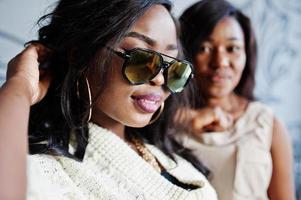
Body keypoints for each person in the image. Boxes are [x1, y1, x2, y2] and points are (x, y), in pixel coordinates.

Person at [0, 0, 218, 199]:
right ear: (81, 55)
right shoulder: (52, 171)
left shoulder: (168, 152)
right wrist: (20, 87)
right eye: (141, 58)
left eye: (172, 64)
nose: (160, 78)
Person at [176, 0, 296, 199]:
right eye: (204, 48)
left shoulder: (266, 123)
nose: (220, 62)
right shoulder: (161, 121)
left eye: (232, 49)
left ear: (247, 55)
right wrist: (188, 117)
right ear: (185, 52)